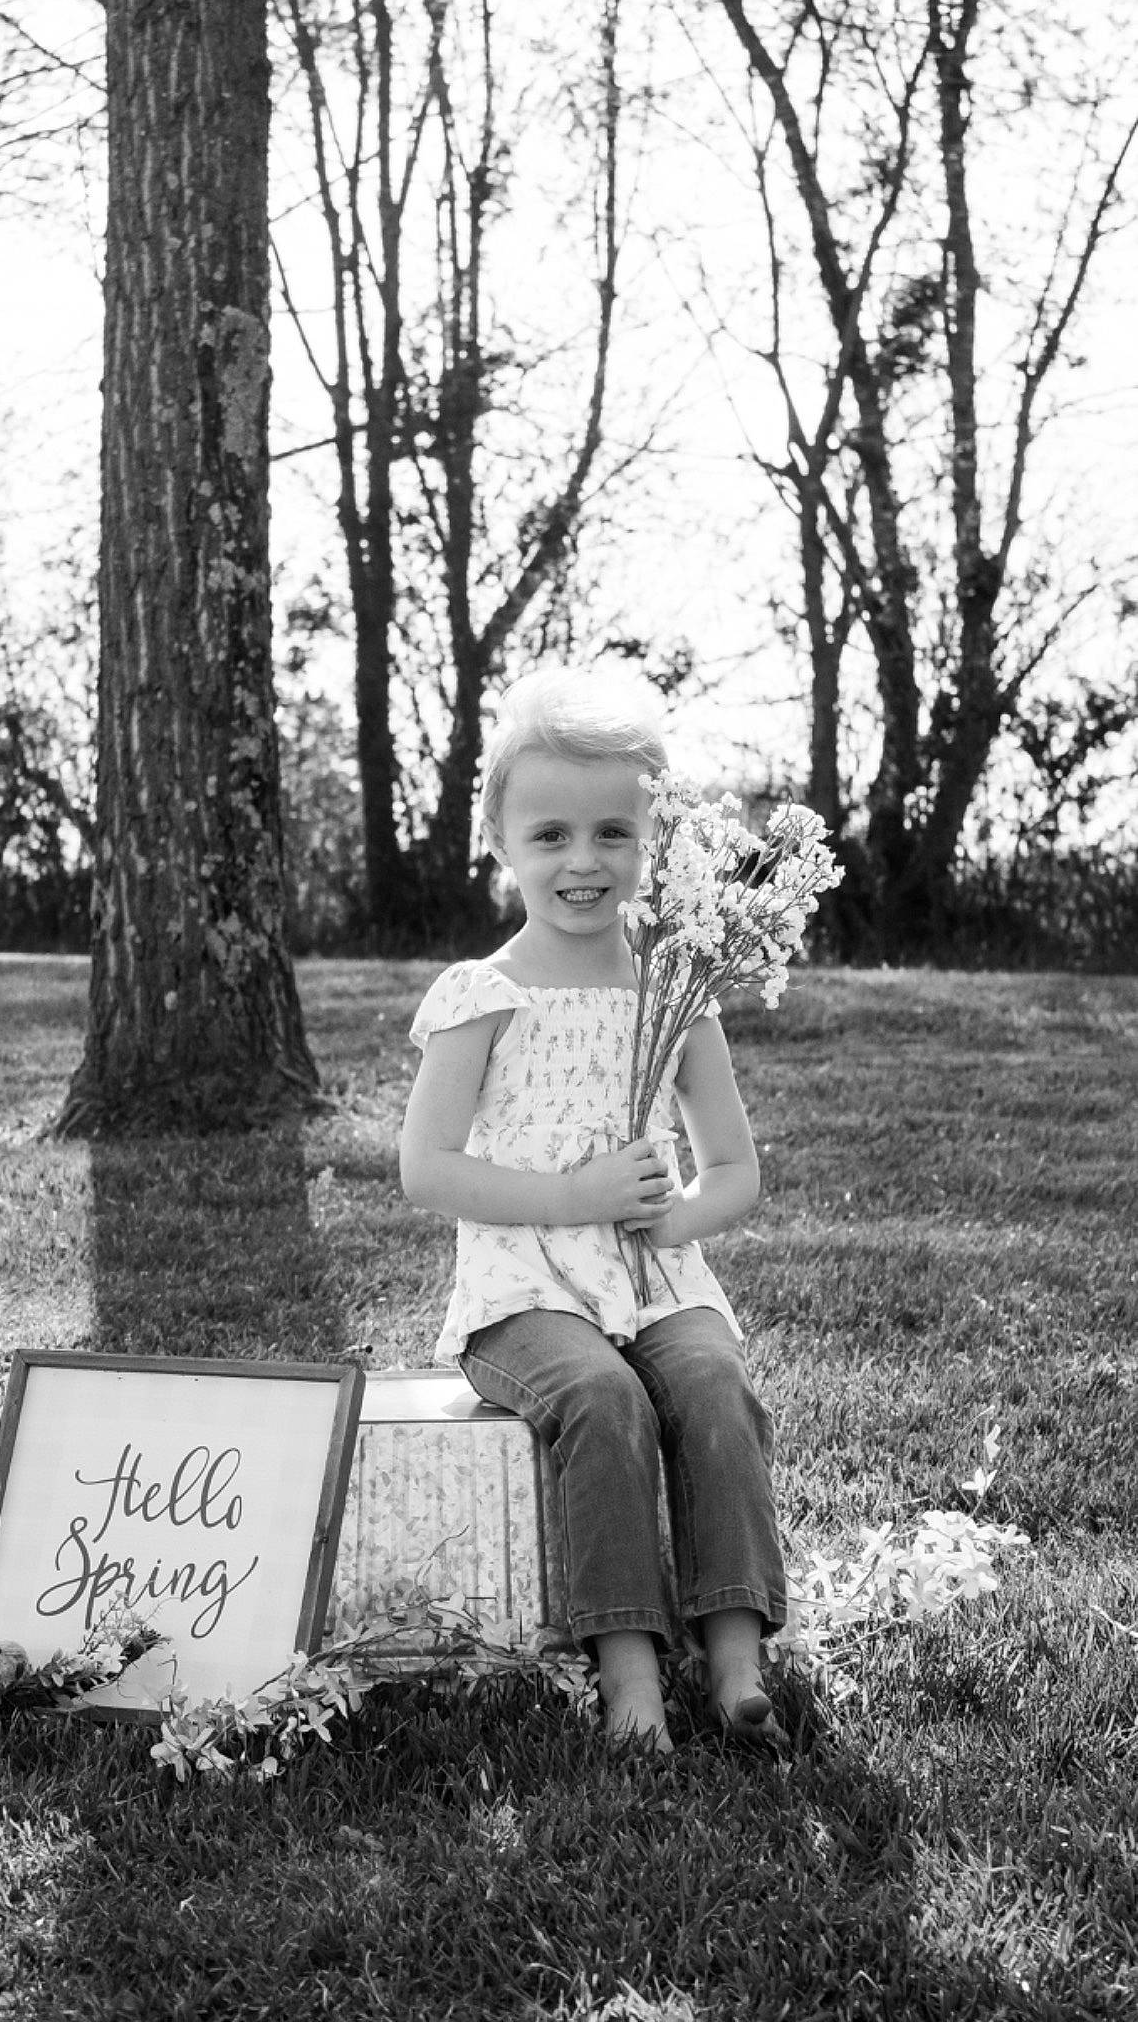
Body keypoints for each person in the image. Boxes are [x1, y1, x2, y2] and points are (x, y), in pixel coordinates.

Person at [400, 668, 786, 1752]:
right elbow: (425, 1168)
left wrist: (676, 1222)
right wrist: (572, 1197)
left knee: (712, 1384)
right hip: (521, 1292)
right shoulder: (482, 993)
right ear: (501, 838)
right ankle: (628, 1674)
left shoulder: (677, 989)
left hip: (655, 1275)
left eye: (614, 832)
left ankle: (737, 1654)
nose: (583, 860)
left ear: (654, 841)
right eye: (553, 833)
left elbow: (735, 1170)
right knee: (605, 1401)